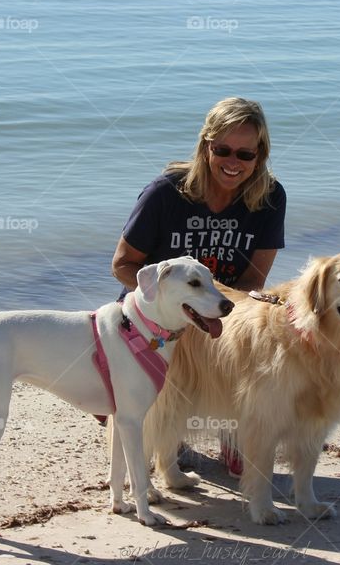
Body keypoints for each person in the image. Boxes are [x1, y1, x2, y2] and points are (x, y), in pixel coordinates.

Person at [111, 97, 287, 476]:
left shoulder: (270, 198)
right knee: (132, 426)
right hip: (156, 314)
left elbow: (253, 282)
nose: (233, 162)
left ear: (260, 155)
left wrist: (206, 317)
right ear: (205, 145)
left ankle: (231, 426)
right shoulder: (164, 193)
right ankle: (165, 431)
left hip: (221, 311)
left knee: (263, 337)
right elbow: (123, 266)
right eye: (222, 150)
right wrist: (169, 310)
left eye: (245, 153)